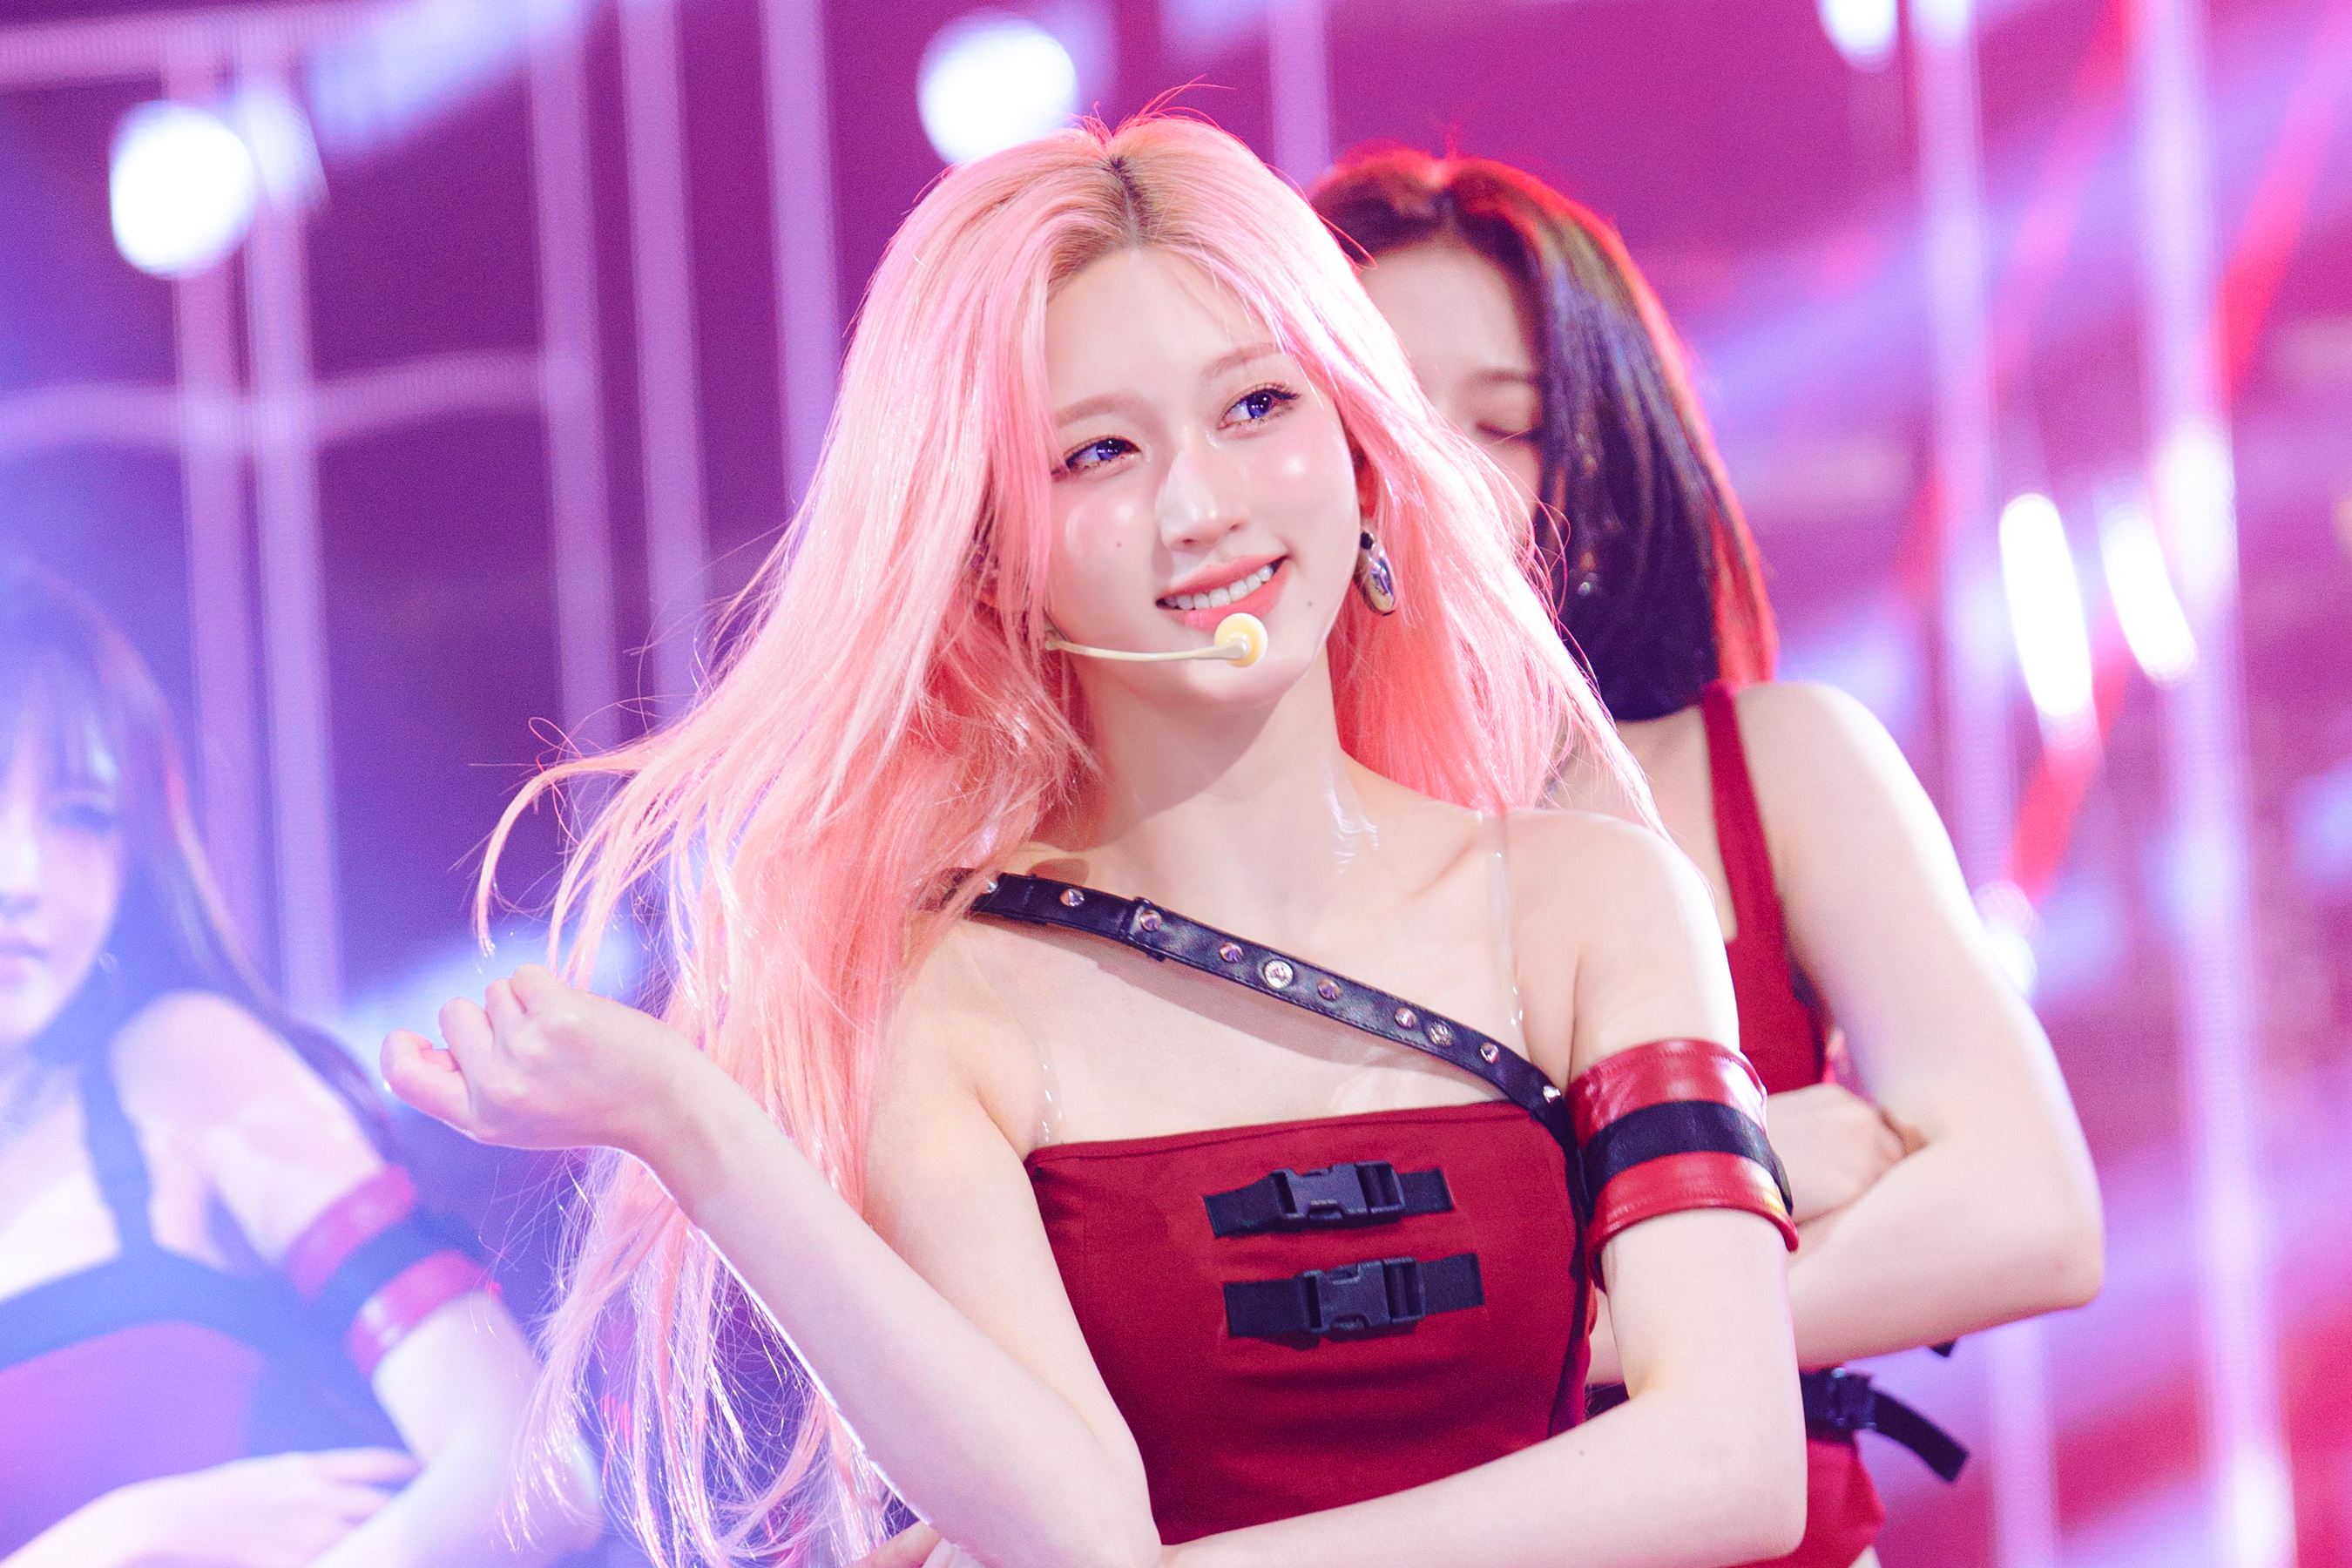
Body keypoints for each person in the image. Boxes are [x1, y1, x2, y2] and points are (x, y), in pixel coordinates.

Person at [382, 115, 1812, 1568]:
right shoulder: (949, 995)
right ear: (992, 555)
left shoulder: (1588, 902)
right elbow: (1074, 1536)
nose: (1202, 507)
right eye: (1101, 452)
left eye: (1258, 406)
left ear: (1361, 451)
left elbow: (1732, 1464)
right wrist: (693, 1130)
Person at [1311, 149, 2105, 1568]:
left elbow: (2030, 1216)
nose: (1431, 470)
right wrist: (1755, 1180)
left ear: (1597, 478)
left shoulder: (1777, 767)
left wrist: (1550, 1338)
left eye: (1503, 424)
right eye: (1377, 410)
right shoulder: (1222, 849)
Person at [0, 564, 598, 1567]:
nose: (23, 876)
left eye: (82, 815)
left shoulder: (183, 1074)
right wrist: (117, 1543)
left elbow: (534, 1478)